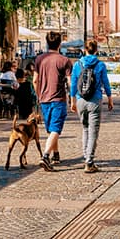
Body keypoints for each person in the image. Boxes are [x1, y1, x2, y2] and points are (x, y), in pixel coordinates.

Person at [70, 39, 114, 173]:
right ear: (96, 50)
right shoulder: (100, 65)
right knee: (93, 131)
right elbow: (106, 83)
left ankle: (86, 156)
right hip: (95, 99)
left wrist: (72, 101)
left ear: (85, 50)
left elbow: (73, 84)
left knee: (85, 129)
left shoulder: (77, 64)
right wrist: (110, 98)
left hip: (80, 99)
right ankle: (89, 161)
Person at [33, 31, 73, 171]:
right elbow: (70, 82)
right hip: (58, 98)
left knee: (51, 129)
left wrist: (38, 95)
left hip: (44, 98)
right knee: (56, 128)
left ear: (46, 42)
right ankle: (45, 156)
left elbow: (35, 80)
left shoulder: (39, 59)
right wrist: (72, 100)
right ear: (60, 44)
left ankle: (56, 155)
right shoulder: (64, 60)